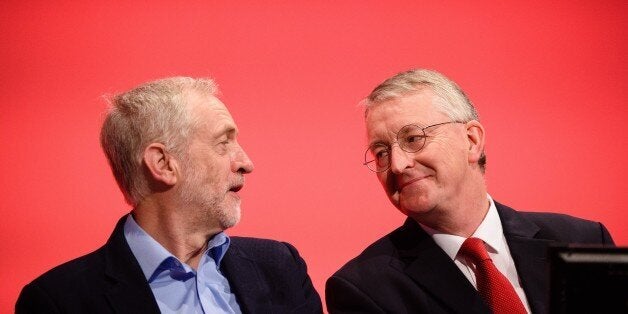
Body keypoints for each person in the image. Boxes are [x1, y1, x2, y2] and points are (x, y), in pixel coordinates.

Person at [16, 77, 323, 314]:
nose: (246, 162)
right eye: (223, 143)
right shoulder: (60, 301)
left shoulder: (280, 266)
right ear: (163, 164)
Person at [325, 69, 614, 314]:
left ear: (472, 140)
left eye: (413, 138)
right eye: (381, 152)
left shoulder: (581, 240)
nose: (398, 164)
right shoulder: (366, 288)